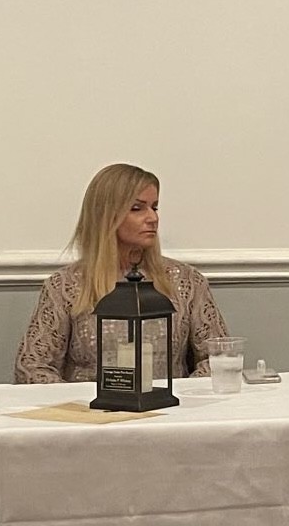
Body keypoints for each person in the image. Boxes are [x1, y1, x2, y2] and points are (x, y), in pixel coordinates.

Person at [15, 163, 229, 383]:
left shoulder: (186, 281)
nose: (152, 218)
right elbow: (32, 367)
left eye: (154, 207)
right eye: (137, 208)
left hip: (169, 403)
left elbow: (219, 357)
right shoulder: (65, 286)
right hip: (89, 403)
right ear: (106, 216)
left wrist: (184, 395)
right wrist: (77, 400)